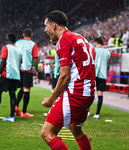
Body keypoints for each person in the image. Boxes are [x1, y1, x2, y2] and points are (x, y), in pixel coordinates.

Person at [42, 10, 95, 150]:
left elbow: (65, 75)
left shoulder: (64, 40)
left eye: (46, 25)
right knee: (75, 129)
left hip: (76, 94)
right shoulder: (79, 37)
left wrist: (51, 99)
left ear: (54, 25)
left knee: (47, 133)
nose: (45, 29)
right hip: (88, 93)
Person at [0, 33, 22, 122]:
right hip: (16, 76)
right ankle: (11, 116)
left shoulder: (6, 47)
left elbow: (3, 62)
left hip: (6, 74)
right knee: (12, 95)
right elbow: (20, 63)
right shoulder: (19, 50)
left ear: (8, 39)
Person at [15, 28, 38, 117]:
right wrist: (36, 70)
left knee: (21, 88)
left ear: (23, 35)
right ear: (31, 35)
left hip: (18, 69)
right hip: (27, 69)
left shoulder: (17, 43)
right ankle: (24, 112)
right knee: (27, 90)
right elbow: (35, 58)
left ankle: (16, 106)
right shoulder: (33, 44)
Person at [88, 38, 110, 119]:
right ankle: (97, 114)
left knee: (90, 93)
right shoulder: (107, 52)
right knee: (100, 94)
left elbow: (91, 61)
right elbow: (108, 65)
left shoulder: (94, 50)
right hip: (103, 75)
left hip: (93, 74)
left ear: (96, 43)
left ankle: (88, 112)